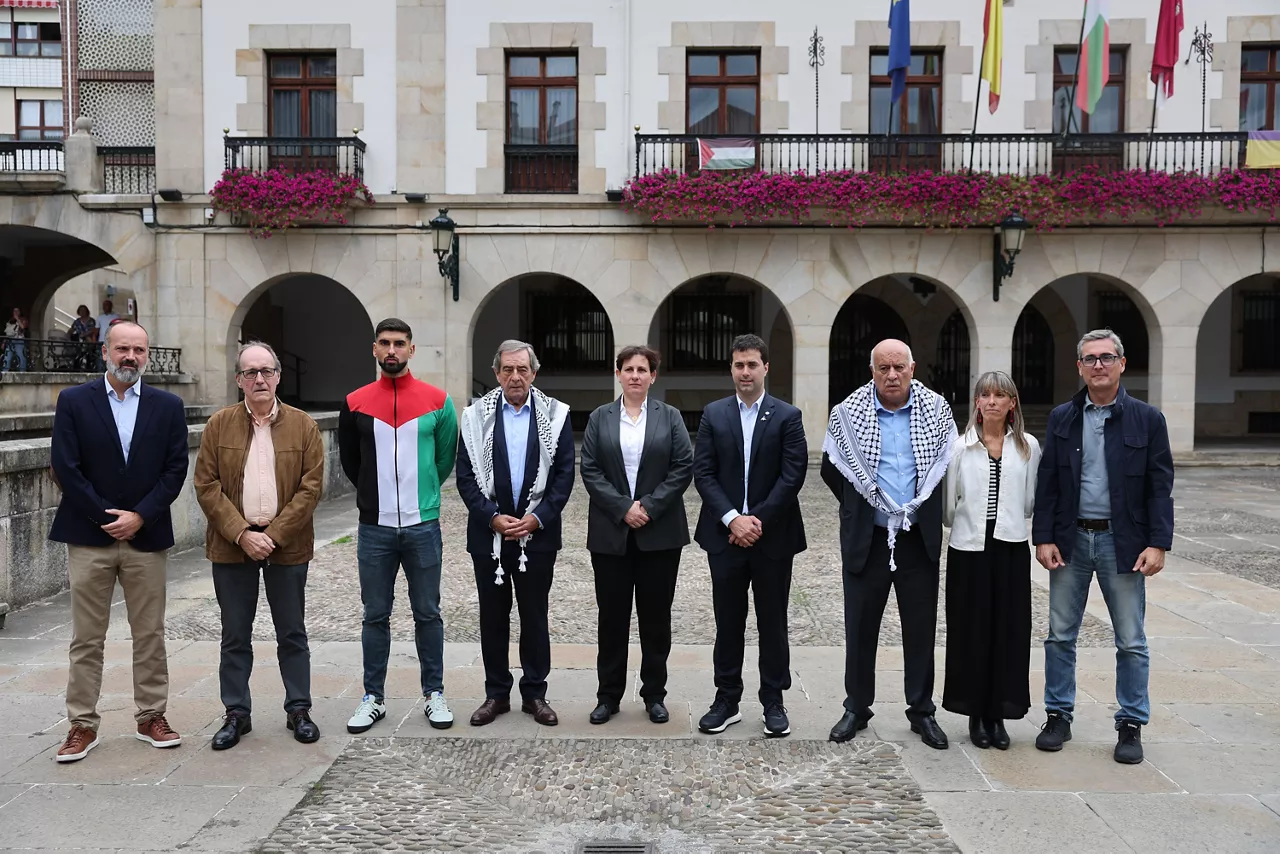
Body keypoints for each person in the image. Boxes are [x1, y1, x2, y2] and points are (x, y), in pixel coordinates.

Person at [47, 321, 189, 762]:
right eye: (123, 348)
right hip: (89, 535)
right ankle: (81, 725)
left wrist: (140, 516)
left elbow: (175, 470)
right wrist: (106, 516)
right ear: (105, 351)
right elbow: (65, 467)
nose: (131, 356)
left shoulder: (169, 406)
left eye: (139, 350)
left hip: (146, 535)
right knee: (87, 637)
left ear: (147, 354)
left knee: (150, 633)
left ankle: (151, 716)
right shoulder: (74, 401)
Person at [1033, 329, 1174, 765]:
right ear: (1079, 367)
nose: (1099, 365)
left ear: (1122, 364)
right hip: (1071, 540)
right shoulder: (1062, 418)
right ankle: (1058, 716)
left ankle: (1130, 723)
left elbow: (1159, 486)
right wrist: (1044, 536)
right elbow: (1048, 481)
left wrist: (1158, 543)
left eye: (1107, 357)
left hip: (1123, 542)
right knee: (1060, 636)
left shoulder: (1147, 419)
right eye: (1090, 359)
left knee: (1130, 640)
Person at [821, 339, 957, 749]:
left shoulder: (936, 411)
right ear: (872, 371)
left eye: (899, 367)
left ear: (912, 369)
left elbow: (946, 466)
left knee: (921, 630)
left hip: (917, 540)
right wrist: (866, 507)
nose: (892, 375)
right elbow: (833, 470)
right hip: (868, 540)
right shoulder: (848, 413)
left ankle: (922, 711)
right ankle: (856, 708)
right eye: (884, 368)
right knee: (860, 628)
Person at [194, 341, 326, 750]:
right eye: (250, 372)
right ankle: (237, 713)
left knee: (292, 632)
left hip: (287, 545)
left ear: (278, 377)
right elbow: (206, 485)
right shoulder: (219, 425)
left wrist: (274, 535)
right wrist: (241, 533)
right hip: (232, 545)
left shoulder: (304, 425)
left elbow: (311, 487)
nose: (259, 379)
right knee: (235, 634)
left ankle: (298, 709)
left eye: (266, 371)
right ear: (239, 380)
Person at [338, 318, 459, 734]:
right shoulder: (355, 402)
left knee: (428, 613)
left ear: (411, 349)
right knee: (375, 615)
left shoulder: (438, 401)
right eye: (385, 343)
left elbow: (444, 459)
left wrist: (422, 495)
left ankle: (434, 693)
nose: (392, 350)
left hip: (423, 525)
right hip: (375, 527)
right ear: (375, 348)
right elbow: (351, 462)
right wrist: (376, 498)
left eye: (400, 343)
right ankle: (373, 697)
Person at [693, 334, 807, 738]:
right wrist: (732, 520)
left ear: (765, 368)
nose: (745, 372)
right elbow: (703, 472)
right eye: (739, 365)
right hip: (724, 537)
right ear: (731, 369)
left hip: (772, 537)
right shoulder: (714, 414)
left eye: (752, 364)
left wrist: (755, 520)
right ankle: (726, 699)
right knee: (728, 621)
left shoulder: (787, 416)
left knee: (772, 621)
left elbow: (793, 474)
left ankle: (773, 701)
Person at [456, 340, 574, 728]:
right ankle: (496, 694)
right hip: (488, 536)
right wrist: (491, 517)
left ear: (534, 373)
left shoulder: (556, 415)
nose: (515, 377)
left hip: (537, 536)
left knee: (534, 615)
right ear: (496, 373)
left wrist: (538, 518)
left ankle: (535, 694)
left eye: (522, 369)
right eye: (507, 369)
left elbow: (564, 475)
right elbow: (465, 476)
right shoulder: (474, 418)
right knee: (493, 617)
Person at [579, 345, 693, 725]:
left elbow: (683, 466)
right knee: (612, 619)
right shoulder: (600, 417)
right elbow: (590, 469)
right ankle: (608, 696)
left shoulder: (670, 417)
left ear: (653, 376)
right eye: (628, 369)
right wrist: (623, 508)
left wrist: (649, 506)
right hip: (611, 534)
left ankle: (654, 694)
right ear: (618, 374)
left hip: (660, 534)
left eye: (642, 370)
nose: (635, 375)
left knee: (655, 619)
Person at [941, 371, 1041, 750]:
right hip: (969, 549)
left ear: (1012, 403)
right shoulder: (960, 447)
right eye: (986, 395)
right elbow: (949, 505)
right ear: (977, 403)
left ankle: (998, 713)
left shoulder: (1027, 447)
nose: (993, 401)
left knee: (1008, 631)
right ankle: (975, 713)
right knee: (972, 630)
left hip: (1010, 547)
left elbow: (1030, 501)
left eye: (1001, 395)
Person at [68, 305, 97, 371]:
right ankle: (76, 369)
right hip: (78, 342)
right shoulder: (77, 321)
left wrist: (85, 335)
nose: (82, 312)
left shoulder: (91, 321)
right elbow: (72, 329)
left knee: (89, 356)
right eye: (81, 311)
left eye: (84, 310)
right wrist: (67, 335)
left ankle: (89, 369)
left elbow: (93, 330)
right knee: (77, 356)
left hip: (89, 342)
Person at [95, 300, 120, 371]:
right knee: (101, 359)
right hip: (101, 341)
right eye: (104, 306)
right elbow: (96, 330)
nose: (105, 307)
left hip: (112, 341)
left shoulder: (116, 317)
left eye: (107, 305)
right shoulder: (100, 317)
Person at [2, 307, 28, 372]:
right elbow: (8, 332)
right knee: (7, 358)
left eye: (17, 311)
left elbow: (23, 327)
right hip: (10, 341)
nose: (15, 312)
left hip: (19, 341)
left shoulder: (23, 319)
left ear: (20, 312)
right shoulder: (10, 321)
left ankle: (22, 373)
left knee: (21, 357)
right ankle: (5, 372)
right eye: (14, 311)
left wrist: (18, 319)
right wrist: (4, 342)